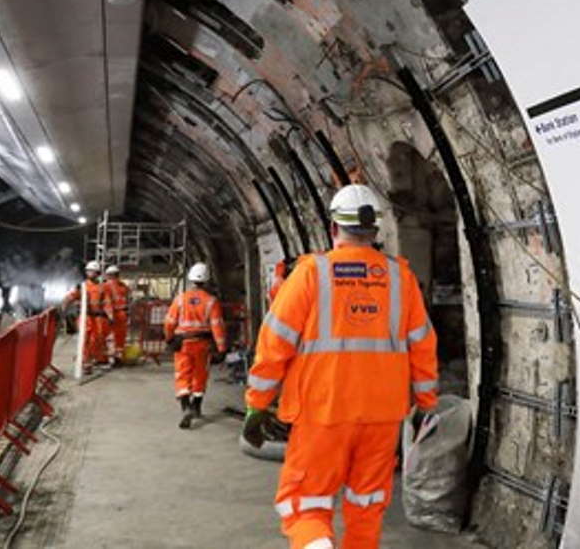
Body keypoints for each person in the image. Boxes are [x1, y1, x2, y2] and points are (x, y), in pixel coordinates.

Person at [243, 184, 440, 549]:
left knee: (305, 506)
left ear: (334, 228)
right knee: (366, 506)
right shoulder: (401, 278)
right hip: (383, 415)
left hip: (323, 412)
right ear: (375, 230)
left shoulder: (309, 274)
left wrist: (257, 404)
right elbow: (423, 346)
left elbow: (273, 346)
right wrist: (425, 405)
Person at [164, 262, 227, 429]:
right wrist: (221, 348)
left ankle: (185, 408)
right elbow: (217, 325)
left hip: (183, 343)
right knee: (200, 374)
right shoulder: (211, 301)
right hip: (203, 344)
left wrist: (169, 338)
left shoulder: (180, 299)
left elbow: (169, 322)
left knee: (182, 374)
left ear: (190, 279)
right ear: (207, 280)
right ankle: (196, 407)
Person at [64, 260, 111, 371]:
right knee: (84, 338)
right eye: (89, 271)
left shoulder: (102, 287)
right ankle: (85, 361)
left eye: (93, 271)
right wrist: (64, 305)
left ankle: (91, 358)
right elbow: (71, 297)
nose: (90, 273)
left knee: (96, 339)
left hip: (98, 318)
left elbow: (107, 303)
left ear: (98, 273)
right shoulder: (82, 286)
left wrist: (110, 316)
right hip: (85, 317)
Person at [103, 264, 131, 365]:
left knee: (110, 337)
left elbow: (107, 303)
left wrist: (109, 315)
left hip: (112, 315)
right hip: (123, 313)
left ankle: (110, 357)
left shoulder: (105, 286)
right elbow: (128, 300)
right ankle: (118, 356)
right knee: (121, 337)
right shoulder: (124, 286)